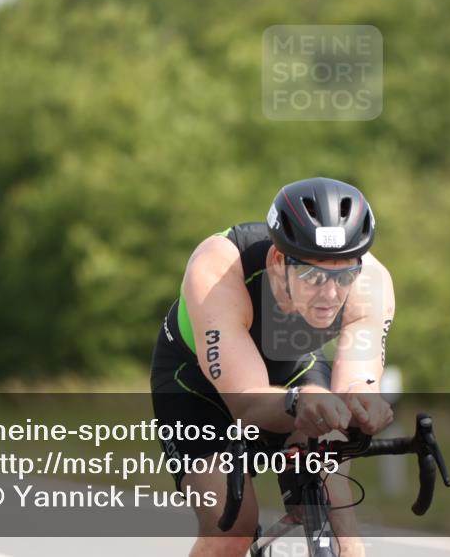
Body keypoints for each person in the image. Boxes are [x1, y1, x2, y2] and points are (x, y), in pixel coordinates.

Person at [151, 176, 396, 557]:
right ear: (279, 260)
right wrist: (303, 402)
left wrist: (364, 405)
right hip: (196, 382)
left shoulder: (373, 282)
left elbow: (356, 381)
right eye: (315, 275)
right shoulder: (218, 267)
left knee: (342, 525)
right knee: (231, 529)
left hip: (293, 367)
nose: (331, 293)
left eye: (344, 274)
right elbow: (247, 403)